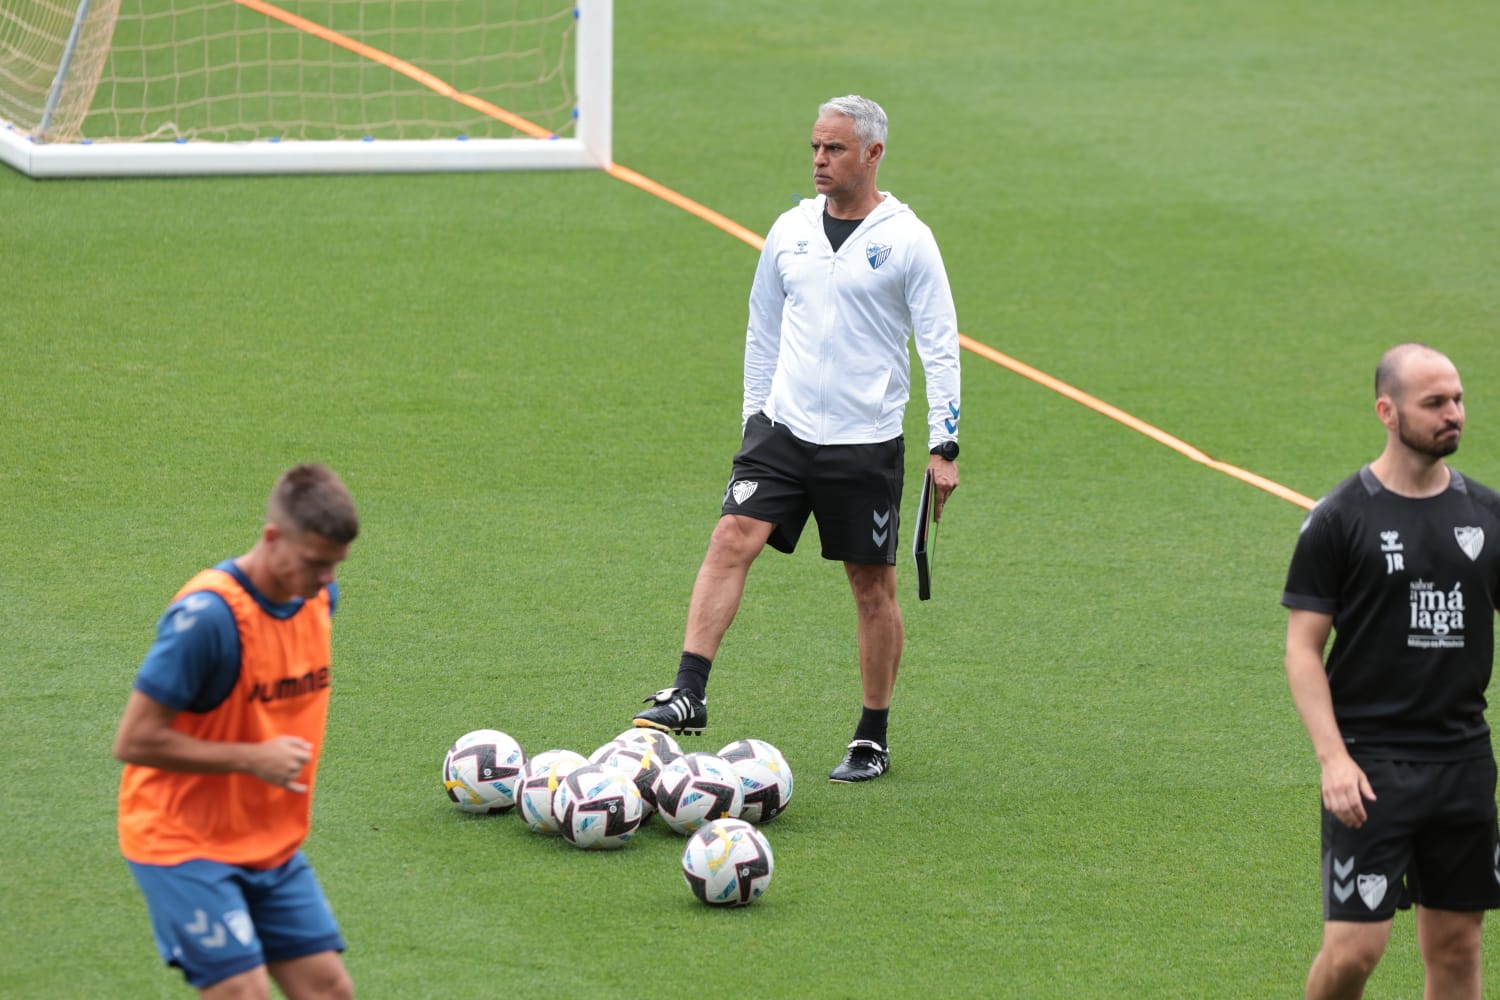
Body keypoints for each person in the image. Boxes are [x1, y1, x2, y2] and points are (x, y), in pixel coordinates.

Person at [632, 94, 961, 783]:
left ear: (872, 154)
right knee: (730, 538)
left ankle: (872, 734)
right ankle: (689, 690)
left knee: (871, 589)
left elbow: (939, 345)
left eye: (835, 148)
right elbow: (764, 329)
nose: (819, 159)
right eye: (815, 146)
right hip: (782, 433)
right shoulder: (789, 230)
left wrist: (943, 445)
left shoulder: (907, 239)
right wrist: (756, 417)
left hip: (864, 443)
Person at [1282, 344, 1500, 999]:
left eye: (1457, 400)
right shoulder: (1340, 518)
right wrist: (1333, 760)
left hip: (1463, 762)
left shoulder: (1487, 516)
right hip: (1372, 767)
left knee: (1458, 949)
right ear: (1387, 410)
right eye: (1435, 403)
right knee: (1354, 954)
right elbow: (1302, 650)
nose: (1453, 414)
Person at [114, 464, 360, 1000]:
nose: (327, 580)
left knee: (328, 989)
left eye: (337, 566)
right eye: (317, 563)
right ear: (273, 538)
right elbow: (133, 741)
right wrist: (251, 758)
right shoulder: (208, 619)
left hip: (268, 843)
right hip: (181, 840)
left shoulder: (318, 600)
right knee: (240, 992)